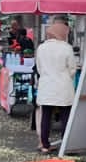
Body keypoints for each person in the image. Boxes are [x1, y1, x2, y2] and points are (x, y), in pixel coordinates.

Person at [34, 16, 79, 154]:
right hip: (63, 86)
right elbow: (72, 68)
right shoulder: (67, 48)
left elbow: (39, 68)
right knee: (66, 115)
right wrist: (65, 76)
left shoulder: (41, 48)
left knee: (46, 116)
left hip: (46, 85)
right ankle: (65, 144)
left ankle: (45, 145)